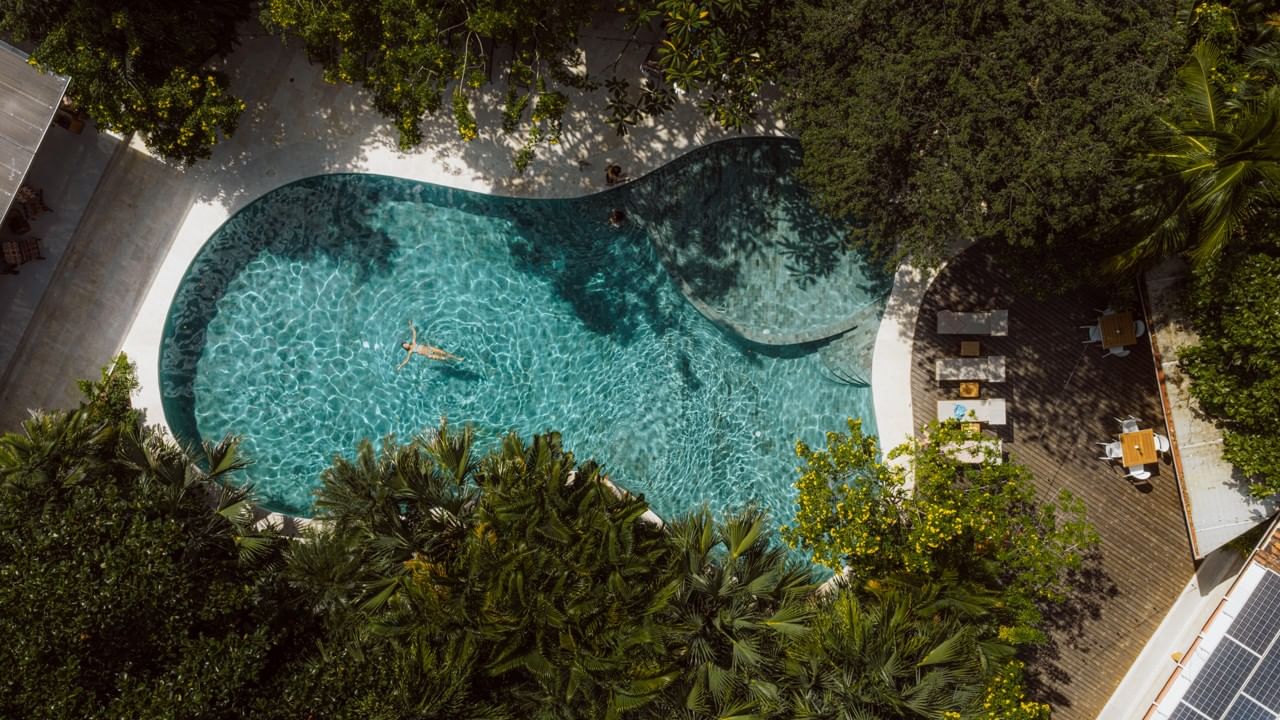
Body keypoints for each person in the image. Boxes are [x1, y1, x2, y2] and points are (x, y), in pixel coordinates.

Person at [397, 320, 462, 370]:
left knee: (445, 353)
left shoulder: (413, 342)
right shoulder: (410, 351)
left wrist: (410, 325)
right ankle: (452, 363)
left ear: (407, 343)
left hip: (430, 348)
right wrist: (400, 366)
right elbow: (406, 360)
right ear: (405, 348)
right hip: (429, 355)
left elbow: (414, 332)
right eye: (405, 346)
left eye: (405, 344)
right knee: (443, 358)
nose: (406, 345)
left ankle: (458, 358)